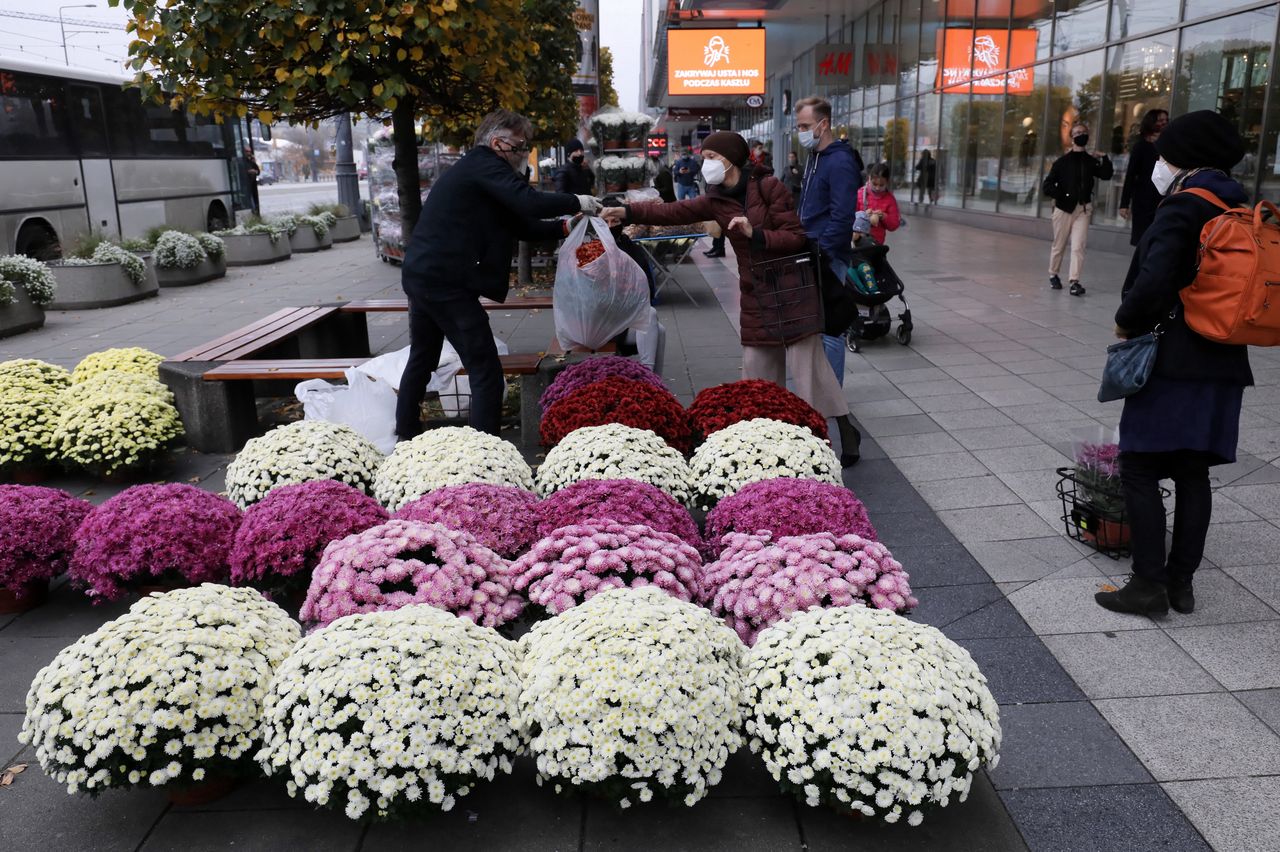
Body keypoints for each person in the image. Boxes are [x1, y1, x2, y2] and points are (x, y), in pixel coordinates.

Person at [601, 131, 863, 466]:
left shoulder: (769, 187)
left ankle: (829, 435)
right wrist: (626, 212)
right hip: (756, 292)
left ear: (731, 159)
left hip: (793, 290)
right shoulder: (715, 198)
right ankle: (769, 441)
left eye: (711, 156)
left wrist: (757, 235)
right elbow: (673, 211)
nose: (705, 163)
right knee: (757, 373)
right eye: (704, 156)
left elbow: (796, 239)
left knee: (808, 371)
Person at [1094, 111, 1252, 617]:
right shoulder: (1240, 205)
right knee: (1193, 472)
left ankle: (1147, 584)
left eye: (1166, 152)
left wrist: (1125, 321)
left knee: (1139, 466)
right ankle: (1180, 584)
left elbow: (1155, 278)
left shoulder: (1182, 206)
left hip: (1172, 359)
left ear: (1183, 157)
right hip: (1224, 360)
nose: (1159, 161)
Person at [397, 110, 601, 440]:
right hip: (445, 281)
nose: (524, 153)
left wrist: (565, 225)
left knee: (423, 358)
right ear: (498, 142)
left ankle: (404, 436)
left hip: (424, 274)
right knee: (485, 370)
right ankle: (486, 451)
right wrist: (578, 200)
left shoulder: (481, 171)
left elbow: (518, 222)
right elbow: (529, 202)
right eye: (520, 146)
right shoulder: (485, 164)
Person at [795, 95, 863, 407]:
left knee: (831, 330)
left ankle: (832, 400)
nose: (802, 131)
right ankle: (820, 394)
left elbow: (842, 215)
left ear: (824, 124)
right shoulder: (816, 157)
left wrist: (821, 252)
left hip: (827, 256)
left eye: (806, 126)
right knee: (817, 329)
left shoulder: (839, 161)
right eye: (799, 126)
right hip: (813, 250)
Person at [1042, 121, 1114, 296]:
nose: (1081, 135)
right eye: (1077, 132)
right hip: (1063, 209)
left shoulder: (1090, 161)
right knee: (1059, 245)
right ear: (1072, 137)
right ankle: (1053, 274)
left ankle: (1074, 281)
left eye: (1084, 132)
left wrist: (1104, 158)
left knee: (1078, 246)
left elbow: (1106, 175)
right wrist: (1062, 195)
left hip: (1083, 209)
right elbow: (1047, 185)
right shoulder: (1062, 162)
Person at [1119, 109, 1169, 246]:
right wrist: (1124, 204)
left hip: (1163, 198)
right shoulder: (1140, 146)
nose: (1164, 123)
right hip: (1143, 199)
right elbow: (1131, 175)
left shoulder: (1169, 145)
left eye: (1166, 120)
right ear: (1151, 123)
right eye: (1160, 120)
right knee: (1143, 239)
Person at [856, 163, 901, 245]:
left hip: (876, 243)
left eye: (881, 185)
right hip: (858, 240)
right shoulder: (860, 194)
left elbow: (894, 224)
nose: (877, 188)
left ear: (887, 182)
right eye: (874, 184)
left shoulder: (890, 199)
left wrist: (884, 216)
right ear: (869, 178)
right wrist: (863, 215)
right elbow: (849, 216)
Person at [243, 145, 261, 215]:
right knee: (250, 201)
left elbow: (258, 171)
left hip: (252, 185)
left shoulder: (251, 161)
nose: (248, 153)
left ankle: (255, 213)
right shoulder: (242, 161)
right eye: (247, 151)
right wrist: (248, 171)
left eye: (249, 152)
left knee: (253, 201)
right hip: (245, 186)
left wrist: (255, 171)